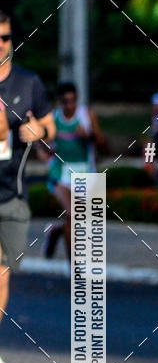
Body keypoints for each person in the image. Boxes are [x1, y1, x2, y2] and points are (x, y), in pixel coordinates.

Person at [0, 9, 55, 363]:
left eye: (4, 38)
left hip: (11, 195)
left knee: (1, 272)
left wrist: (39, 133)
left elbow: (50, 130)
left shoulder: (27, 83)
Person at [44, 81, 104, 260]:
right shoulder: (54, 118)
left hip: (85, 171)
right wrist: (45, 150)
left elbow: (103, 144)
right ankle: (74, 263)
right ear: (60, 102)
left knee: (81, 221)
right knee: (72, 214)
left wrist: (88, 136)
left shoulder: (87, 116)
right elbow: (42, 144)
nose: (69, 106)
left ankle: (56, 231)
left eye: (72, 101)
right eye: (65, 102)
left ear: (77, 99)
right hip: (61, 173)